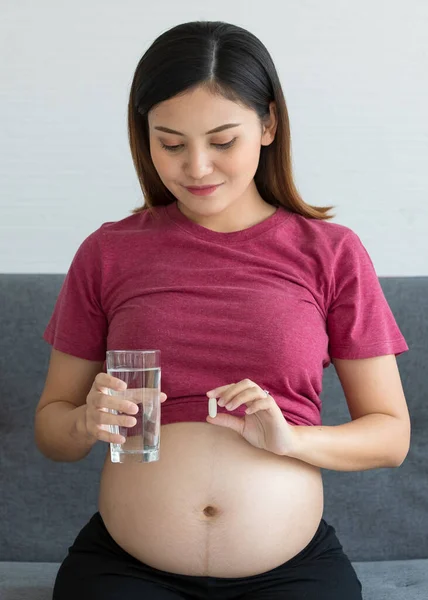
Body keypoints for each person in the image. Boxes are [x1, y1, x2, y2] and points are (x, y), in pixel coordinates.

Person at [35, 20, 411, 600]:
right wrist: (85, 422)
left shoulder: (331, 252)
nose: (197, 168)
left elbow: (390, 437)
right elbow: (51, 430)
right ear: (145, 137)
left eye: (222, 140)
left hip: (290, 566)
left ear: (268, 124)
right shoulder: (108, 251)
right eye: (171, 143)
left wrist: (292, 442)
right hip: (127, 566)